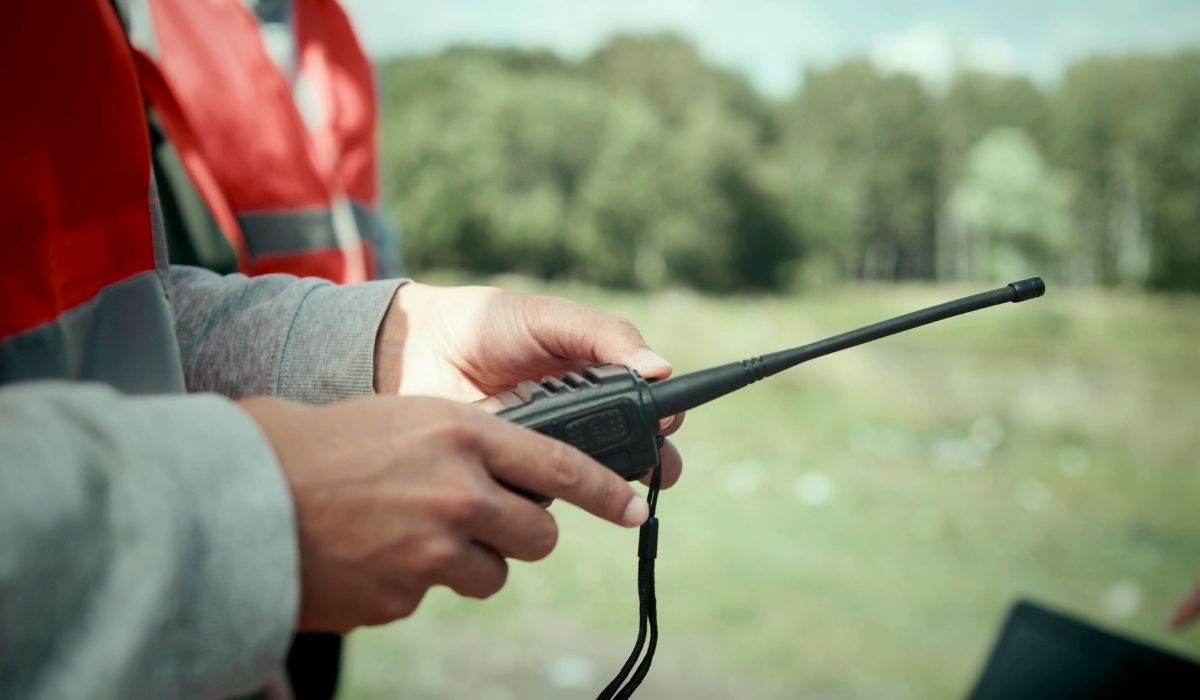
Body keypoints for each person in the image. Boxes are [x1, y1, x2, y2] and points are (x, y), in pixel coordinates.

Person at [0, 3, 683, 699]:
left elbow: (113, 321)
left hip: (300, 511)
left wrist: (381, 346)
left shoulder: (331, 31)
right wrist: (250, 512)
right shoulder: (165, 18)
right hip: (258, 535)